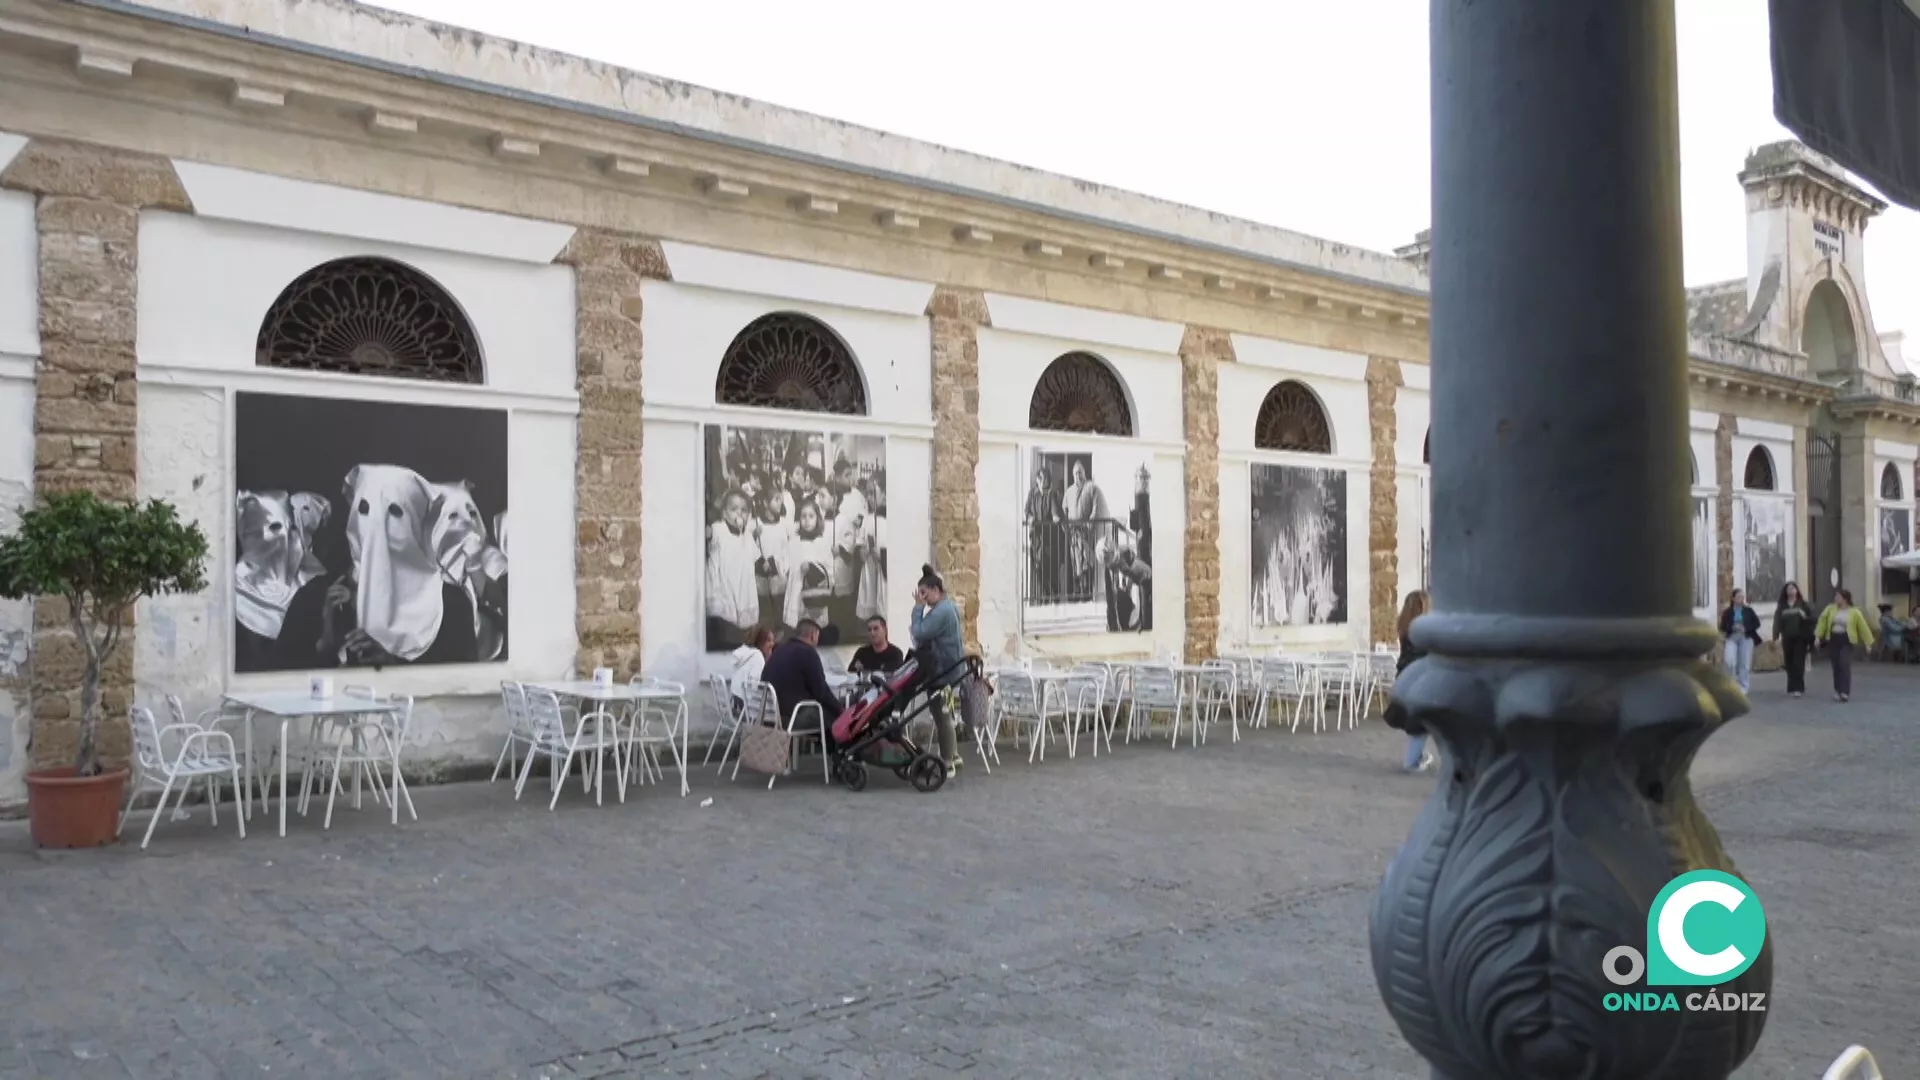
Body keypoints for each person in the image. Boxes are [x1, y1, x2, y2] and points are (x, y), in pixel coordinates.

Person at [910, 565, 966, 774]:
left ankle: (947, 761)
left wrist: (917, 609)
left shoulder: (941, 611)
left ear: (936, 590)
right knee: (945, 712)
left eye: (924, 593)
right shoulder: (946, 607)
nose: (921, 598)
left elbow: (919, 632)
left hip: (943, 671)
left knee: (941, 715)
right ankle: (955, 755)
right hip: (949, 668)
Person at [758, 619, 847, 747]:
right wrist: (840, 710)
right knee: (835, 718)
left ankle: (833, 754)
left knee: (826, 711)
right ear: (813, 635)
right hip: (792, 717)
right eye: (817, 636)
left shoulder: (780, 650)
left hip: (772, 715)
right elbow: (821, 691)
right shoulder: (808, 652)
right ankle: (840, 756)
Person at [1395, 590, 1435, 772]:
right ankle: (1412, 761)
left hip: (1405, 676)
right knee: (1424, 721)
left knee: (1421, 720)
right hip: (1421, 678)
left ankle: (1417, 756)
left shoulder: (1404, 627)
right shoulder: (1422, 631)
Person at [1815, 589, 1875, 703]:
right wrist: (1818, 636)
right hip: (1833, 638)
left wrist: (1868, 643)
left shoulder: (1854, 612)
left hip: (1847, 640)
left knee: (1844, 663)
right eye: (1835, 596)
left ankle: (1845, 692)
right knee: (1836, 665)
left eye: (1838, 597)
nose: (1835, 598)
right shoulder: (1830, 609)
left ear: (1845, 599)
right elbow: (1822, 621)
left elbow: (1863, 628)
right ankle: (1837, 690)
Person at [1773, 582, 1815, 697]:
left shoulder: (1803, 605)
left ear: (1797, 591)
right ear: (1785, 592)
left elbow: (1811, 619)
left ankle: (1799, 688)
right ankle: (1791, 686)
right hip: (1787, 637)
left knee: (1798, 662)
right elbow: (1777, 622)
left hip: (1800, 638)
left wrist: (1804, 616)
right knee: (1789, 662)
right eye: (1788, 589)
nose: (1791, 590)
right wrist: (1775, 636)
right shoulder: (1782, 606)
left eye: (1793, 588)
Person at [1718, 588, 1761, 693]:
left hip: (1746, 638)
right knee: (1729, 661)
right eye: (1739, 597)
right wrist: (1732, 627)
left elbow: (1757, 623)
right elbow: (1722, 627)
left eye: (1742, 597)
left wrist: (1745, 628)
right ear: (1733, 598)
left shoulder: (1748, 611)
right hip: (1732, 638)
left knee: (1744, 664)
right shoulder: (1728, 612)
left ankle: (1743, 687)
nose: (1741, 599)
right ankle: (1730, 685)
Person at [728, 626, 776, 715]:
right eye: (768, 640)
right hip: (751, 711)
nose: (772, 644)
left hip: (738, 706)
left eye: (773, 640)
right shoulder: (757, 657)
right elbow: (756, 689)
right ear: (759, 641)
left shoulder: (745, 654)